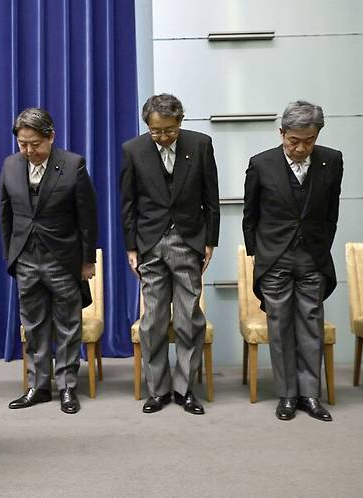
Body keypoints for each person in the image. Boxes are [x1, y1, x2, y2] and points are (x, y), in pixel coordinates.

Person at [243, 100, 343, 422]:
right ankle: (287, 395)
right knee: (281, 325)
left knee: (311, 324)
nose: (301, 148)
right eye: (293, 141)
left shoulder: (332, 160)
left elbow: (331, 213)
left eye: (308, 141)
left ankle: (310, 395)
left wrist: (321, 246)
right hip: (275, 259)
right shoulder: (261, 164)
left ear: (317, 135)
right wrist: (258, 255)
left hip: (313, 257)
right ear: (282, 132)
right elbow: (251, 216)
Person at [120, 93, 220, 415]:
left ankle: (185, 389)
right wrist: (131, 246)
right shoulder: (133, 150)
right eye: (156, 131)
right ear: (147, 126)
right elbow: (128, 204)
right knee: (153, 321)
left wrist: (210, 241)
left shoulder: (200, 145)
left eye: (168, 131)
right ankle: (158, 390)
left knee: (189, 318)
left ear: (180, 121)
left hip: (189, 240)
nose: (162, 137)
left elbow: (211, 199)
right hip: (150, 243)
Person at [0, 108, 98, 414]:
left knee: (68, 325)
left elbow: (87, 217)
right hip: (26, 258)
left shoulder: (72, 165)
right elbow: (6, 215)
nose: (28, 151)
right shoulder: (10, 165)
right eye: (23, 144)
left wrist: (86, 260)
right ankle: (39, 386)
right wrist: (10, 256)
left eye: (35, 144)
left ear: (50, 137)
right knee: (34, 325)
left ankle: (67, 385)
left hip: (63, 259)